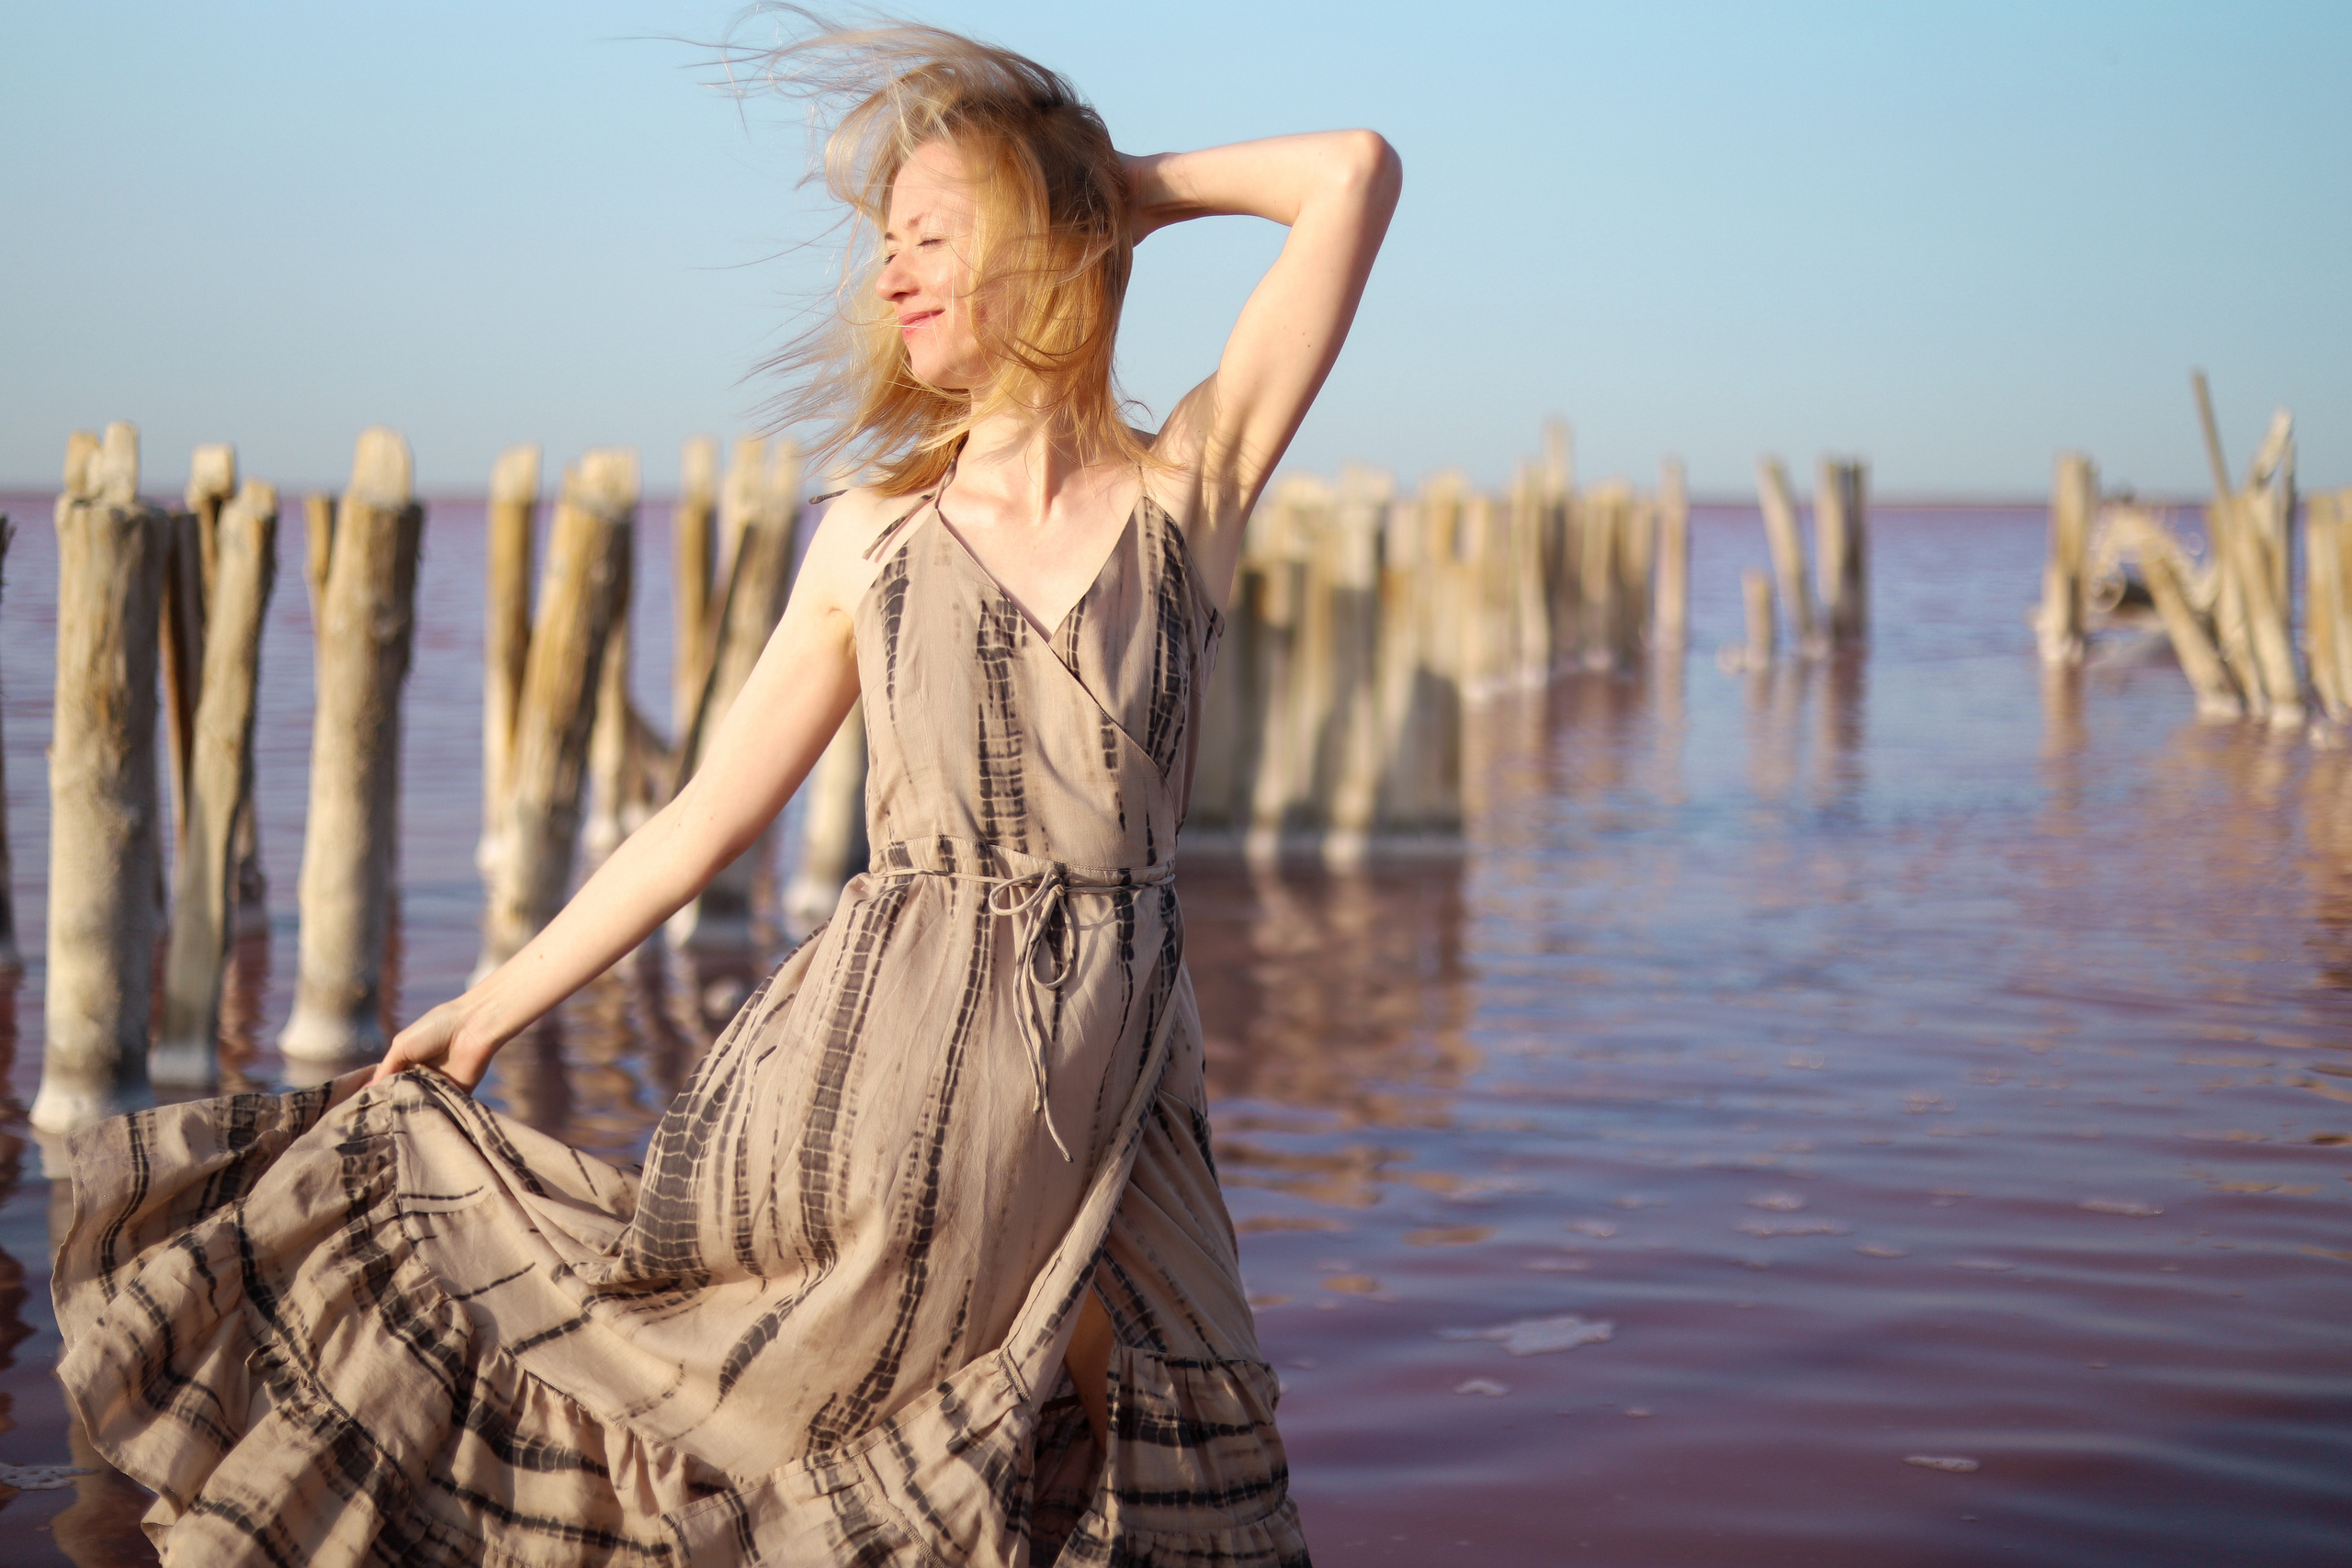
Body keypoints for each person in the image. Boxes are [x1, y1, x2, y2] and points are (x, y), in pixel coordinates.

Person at [51, 18, 1397, 1566]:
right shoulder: (874, 540)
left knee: (1167, 1437)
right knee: (822, 1448)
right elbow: (705, 817)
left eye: (935, 237)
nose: (890, 277)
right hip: (893, 1068)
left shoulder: (1187, 495)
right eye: (885, 246)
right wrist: (492, 1006)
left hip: (1126, 1074)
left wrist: (1101, 184)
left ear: (1047, 241)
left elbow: (1349, 173)